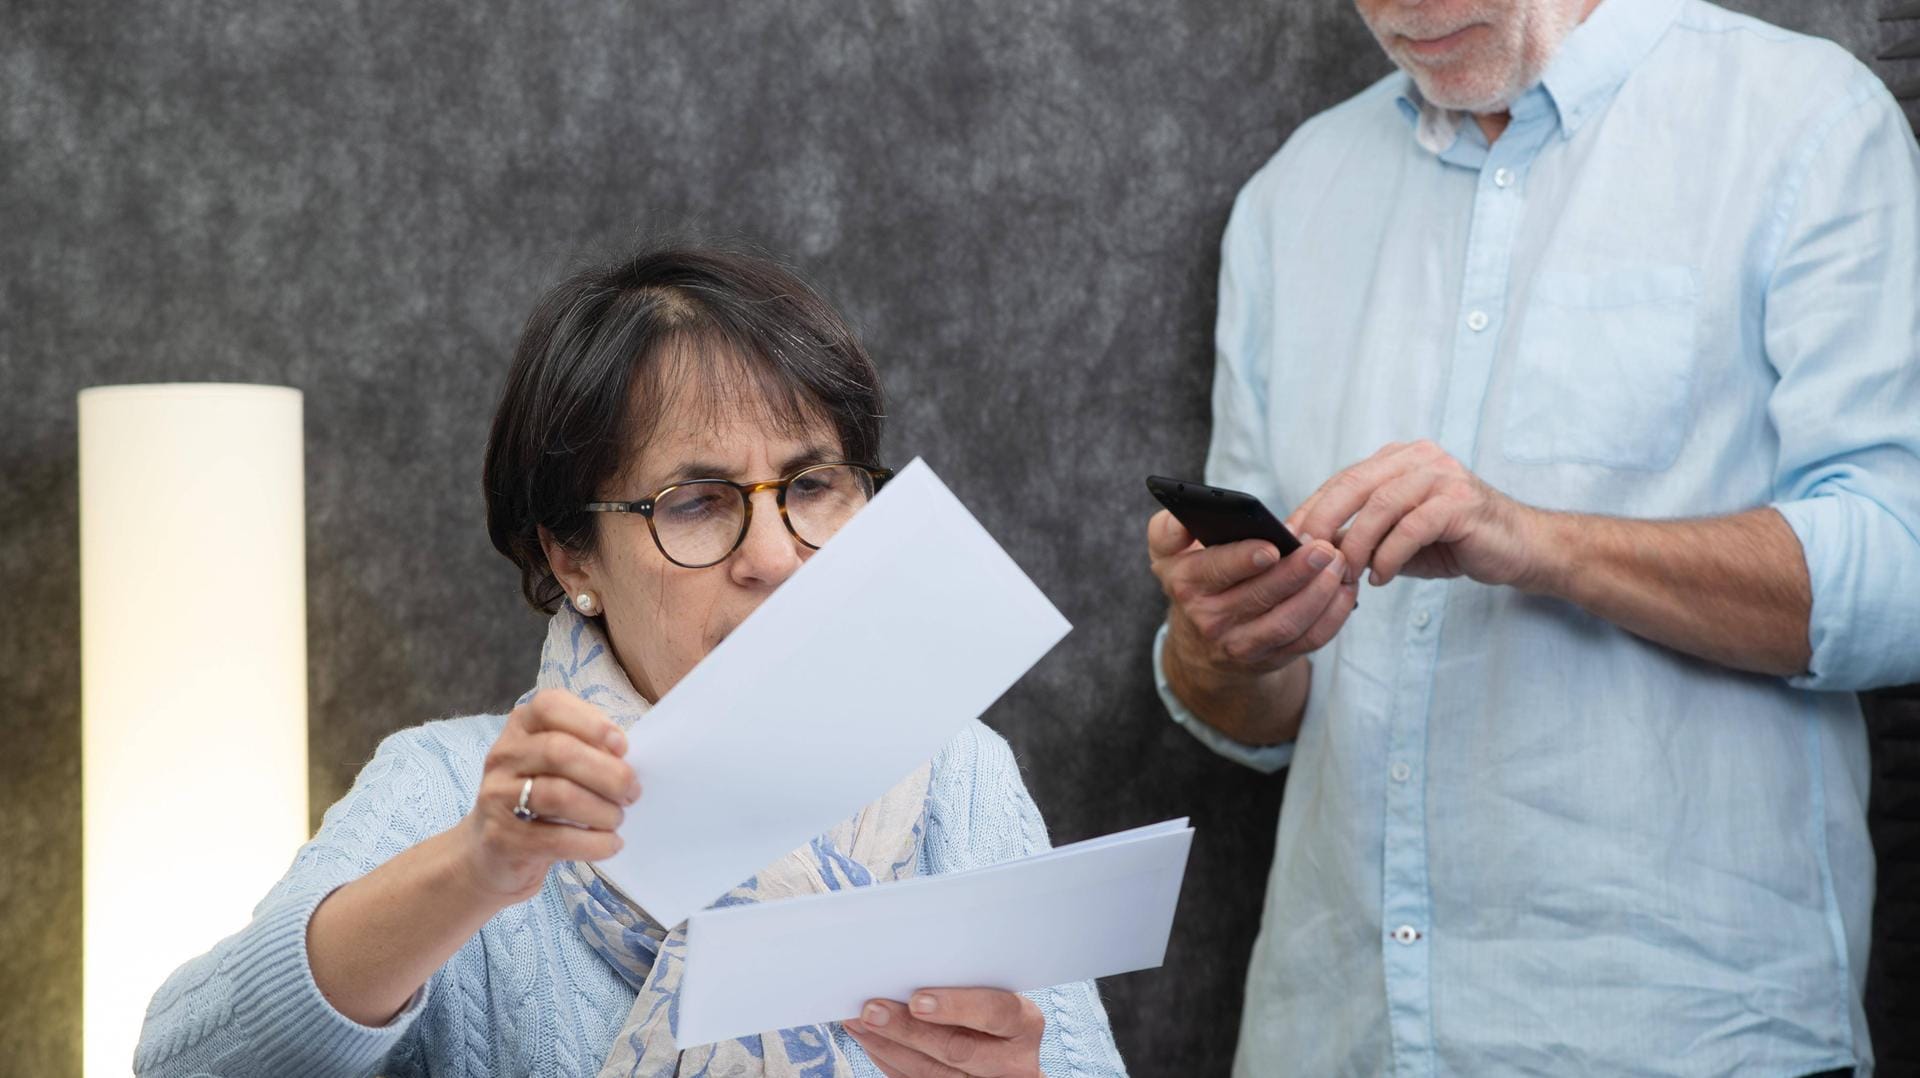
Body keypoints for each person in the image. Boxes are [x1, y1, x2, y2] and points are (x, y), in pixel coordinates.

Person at [1148, 0, 1920, 1074]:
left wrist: (1534, 541)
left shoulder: (1806, 122)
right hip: (1335, 1038)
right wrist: (1215, 644)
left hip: (1686, 1041)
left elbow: (1901, 573)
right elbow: (1264, 715)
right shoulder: (1290, 198)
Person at [137, 246, 1128, 1077]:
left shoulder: (959, 775)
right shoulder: (450, 788)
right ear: (572, 556)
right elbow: (181, 1059)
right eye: (695, 502)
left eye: (814, 484)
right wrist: (480, 866)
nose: (776, 556)